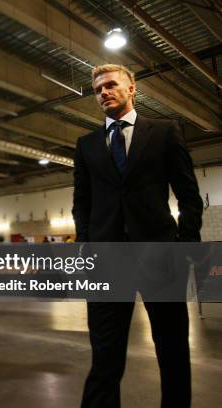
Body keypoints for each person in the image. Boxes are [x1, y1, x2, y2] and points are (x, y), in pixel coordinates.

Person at [72, 64, 203, 407]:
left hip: (160, 255)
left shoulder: (164, 132)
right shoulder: (86, 145)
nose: (103, 92)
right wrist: (86, 243)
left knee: (173, 350)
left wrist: (186, 245)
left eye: (111, 85)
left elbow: (189, 195)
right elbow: (81, 203)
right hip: (106, 262)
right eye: (98, 89)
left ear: (132, 89)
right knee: (104, 355)